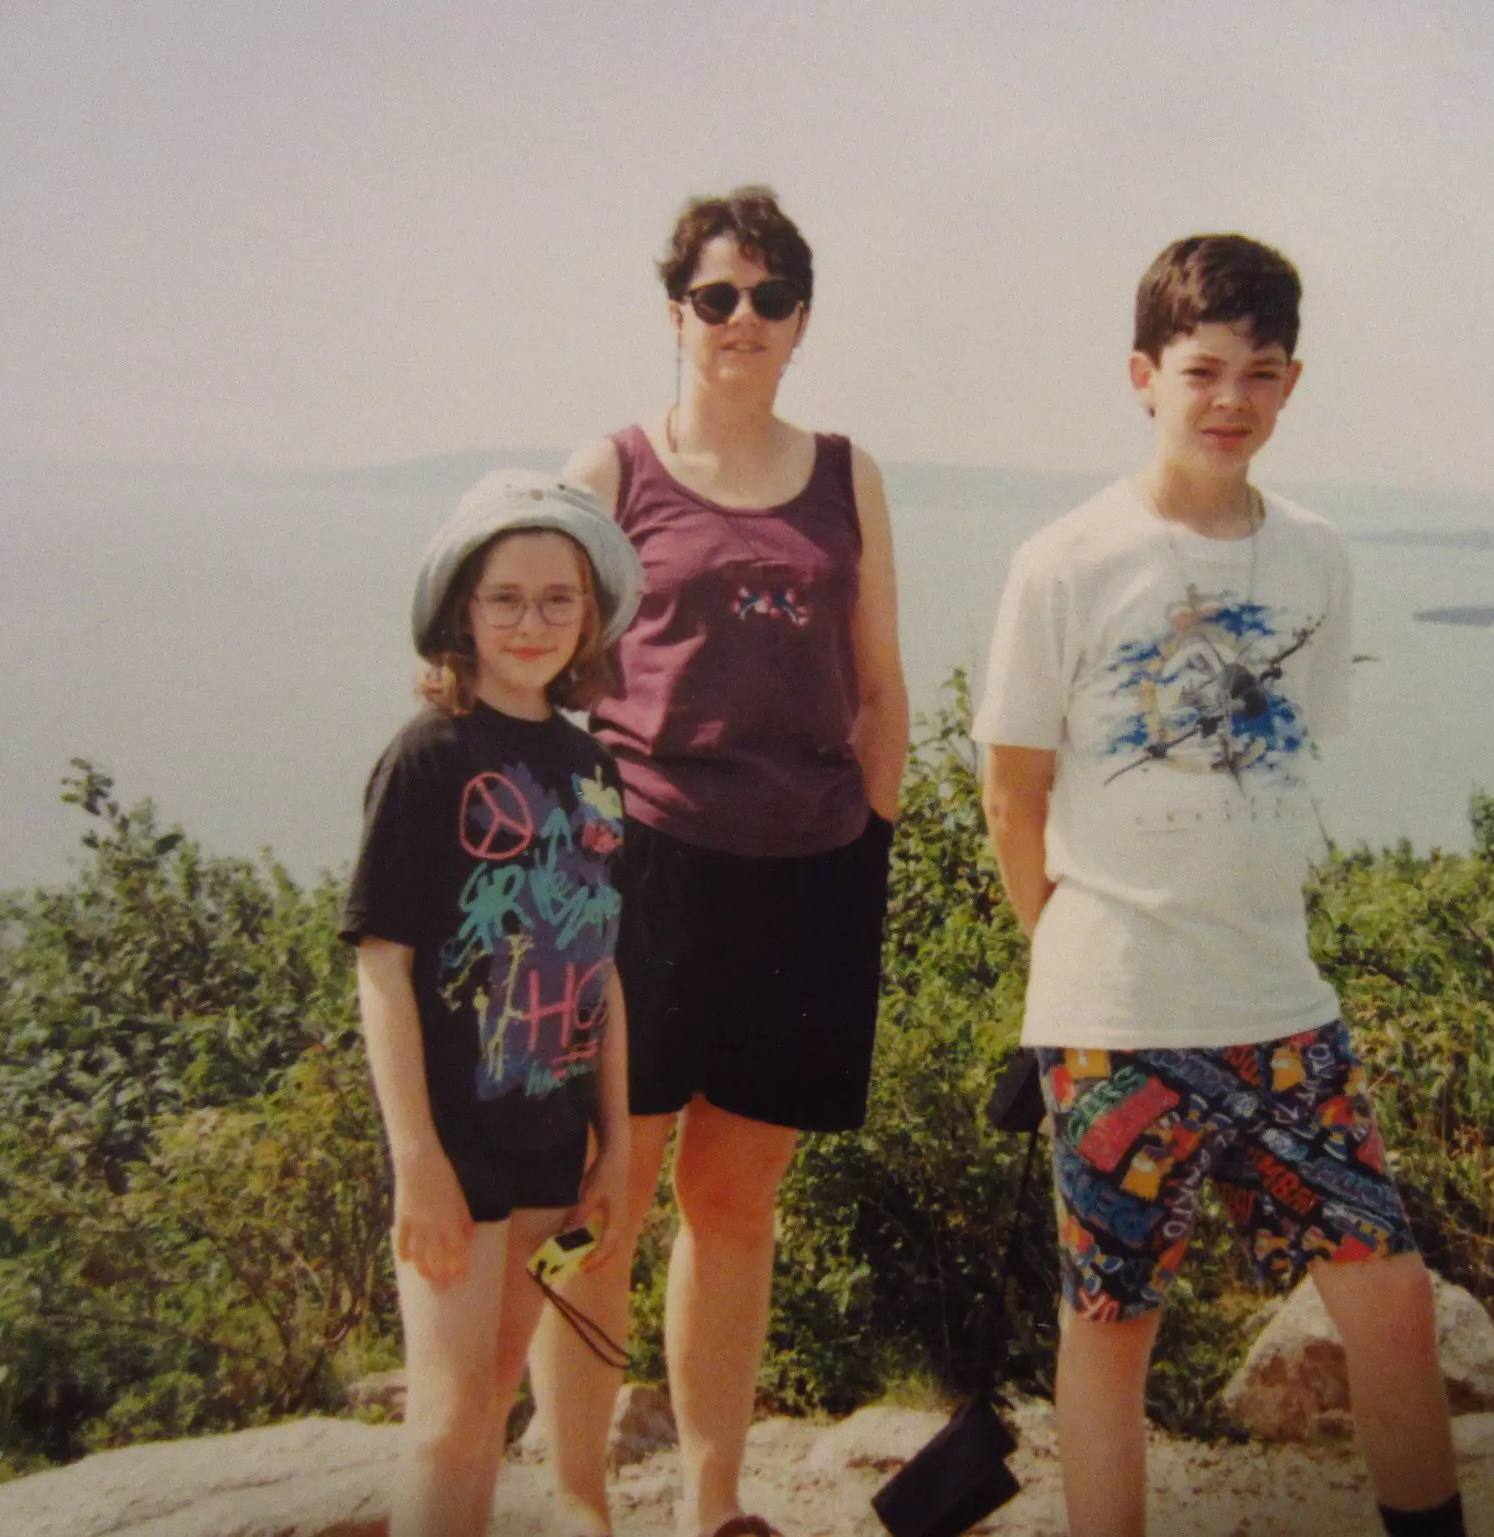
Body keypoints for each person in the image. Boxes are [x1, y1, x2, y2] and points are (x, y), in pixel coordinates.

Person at [974, 235, 1466, 1537]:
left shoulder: (1314, 553)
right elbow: (1011, 795)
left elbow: (1279, 771)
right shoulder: (1064, 559)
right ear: (1142, 374)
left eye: (1258, 372)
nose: (1228, 400)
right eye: (1200, 370)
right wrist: (1064, 974)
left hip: (1277, 1003)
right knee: (1112, 1320)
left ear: (1291, 381)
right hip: (1117, 1012)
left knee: (1391, 1295)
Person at [528, 186, 910, 1537]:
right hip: (643, 874)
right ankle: (579, 1502)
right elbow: (535, 670)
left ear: (799, 319)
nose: (737, 320)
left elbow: (880, 692)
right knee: (602, 1201)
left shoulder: (844, 473)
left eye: (764, 297)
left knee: (735, 1201)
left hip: (807, 875)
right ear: (675, 311)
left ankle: (711, 1500)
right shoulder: (609, 472)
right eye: (712, 296)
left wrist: (864, 847)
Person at [342, 472, 645, 1537]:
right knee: (448, 1413)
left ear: (591, 615)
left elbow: (600, 962)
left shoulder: (594, 767)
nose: (532, 622)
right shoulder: (428, 757)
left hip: (552, 1145)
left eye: (558, 598)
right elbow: (382, 964)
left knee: (499, 1390)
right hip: (457, 1150)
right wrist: (414, 1157)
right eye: (504, 598)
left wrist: (612, 1148)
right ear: (459, 614)